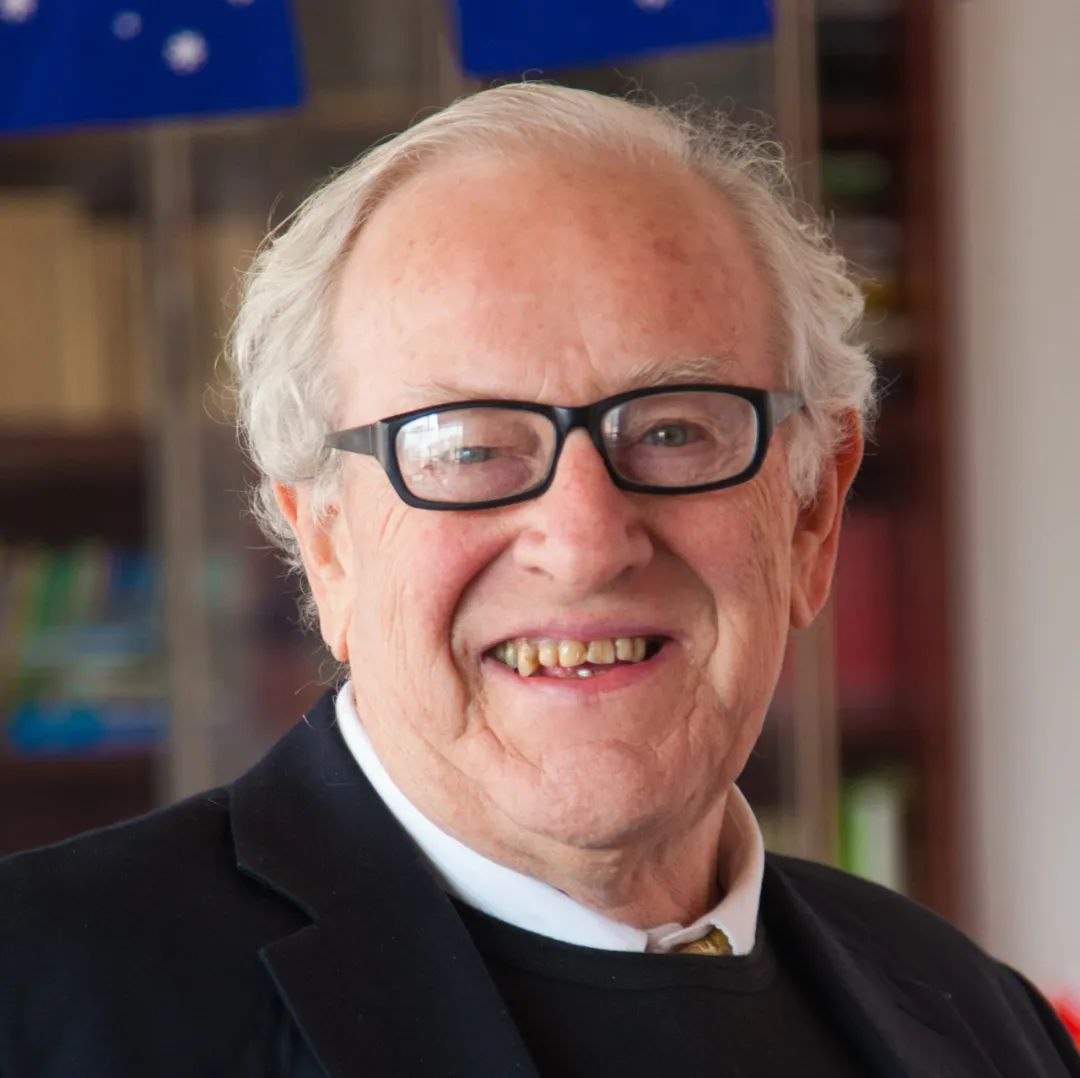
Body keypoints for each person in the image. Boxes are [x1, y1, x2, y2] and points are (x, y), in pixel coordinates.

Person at [1, 83, 1077, 1078]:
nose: (585, 541)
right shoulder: (34, 1000)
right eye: (467, 446)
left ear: (811, 515)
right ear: (326, 542)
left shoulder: (987, 1025)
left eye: (672, 430)